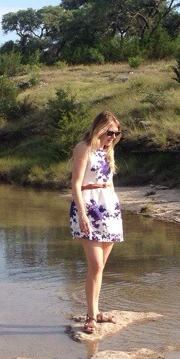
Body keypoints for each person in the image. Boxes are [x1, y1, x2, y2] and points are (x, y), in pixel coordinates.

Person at [70, 110, 123, 334]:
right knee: (96, 265)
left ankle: (96, 311)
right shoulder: (84, 148)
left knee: (100, 268)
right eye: (109, 132)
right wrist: (82, 214)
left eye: (116, 133)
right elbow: (75, 184)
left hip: (108, 208)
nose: (113, 136)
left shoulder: (107, 151)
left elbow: (108, 183)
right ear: (99, 128)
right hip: (89, 207)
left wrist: (115, 209)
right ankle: (91, 316)